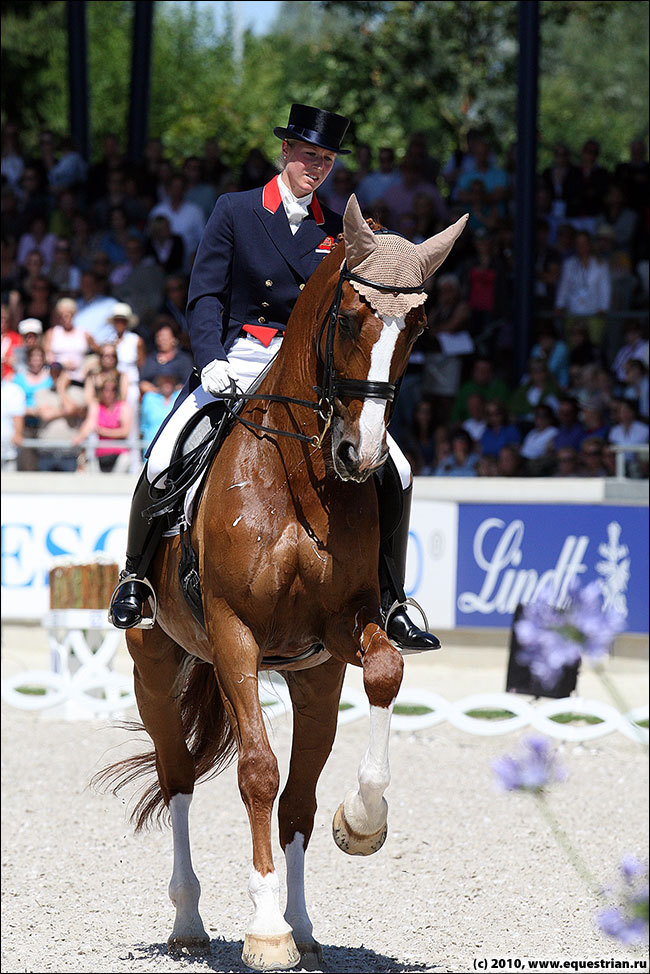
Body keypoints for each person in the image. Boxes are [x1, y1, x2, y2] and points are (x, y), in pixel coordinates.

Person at [110, 103, 444, 654]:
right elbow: (204, 294)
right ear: (286, 152)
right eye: (309, 155)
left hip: (305, 370)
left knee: (398, 469)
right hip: (238, 355)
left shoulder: (338, 232)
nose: (318, 167)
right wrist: (211, 355)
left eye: (328, 160)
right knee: (166, 451)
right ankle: (137, 578)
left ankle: (393, 600)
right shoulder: (235, 210)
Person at [73, 376, 132, 472]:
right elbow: (89, 424)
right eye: (104, 389)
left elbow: (125, 432)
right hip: (100, 454)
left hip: (119, 454)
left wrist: (102, 431)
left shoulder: (123, 406)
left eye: (112, 390)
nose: (108, 393)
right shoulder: (96, 406)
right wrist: (79, 437)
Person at [43, 297, 90, 387]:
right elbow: (47, 355)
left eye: (68, 315)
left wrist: (89, 365)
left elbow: (98, 351)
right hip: (57, 376)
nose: (65, 319)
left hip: (79, 379)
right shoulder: (52, 333)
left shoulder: (84, 333)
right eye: (62, 316)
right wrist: (62, 365)